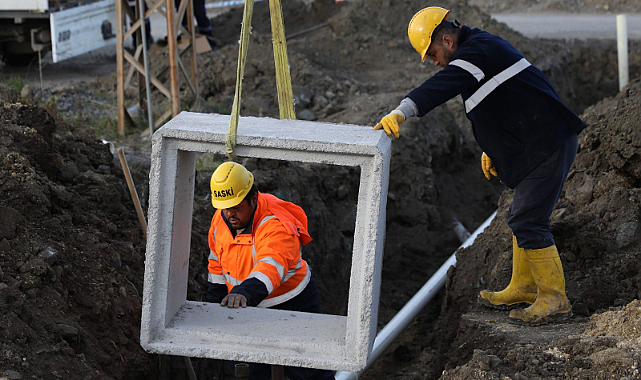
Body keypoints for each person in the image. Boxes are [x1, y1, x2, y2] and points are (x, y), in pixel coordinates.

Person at [374, 6, 586, 325]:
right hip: (538, 141)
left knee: (528, 219)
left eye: (432, 53)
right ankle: (524, 286)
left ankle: (554, 300)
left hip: (548, 143)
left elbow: (440, 86)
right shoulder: (480, 51)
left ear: (447, 40)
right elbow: (501, 103)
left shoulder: (476, 53)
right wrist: (494, 150)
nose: (434, 61)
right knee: (524, 216)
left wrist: (402, 111)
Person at [206, 161, 334, 380]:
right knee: (250, 371)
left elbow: (270, 267)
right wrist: (213, 307)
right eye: (225, 207)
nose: (229, 213)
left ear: (253, 199)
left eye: (236, 206)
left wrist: (243, 293)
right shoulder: (222, 217)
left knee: (307, 369)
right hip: (246, 306)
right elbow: (216, 262)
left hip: (292, 305)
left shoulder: (276, 225)